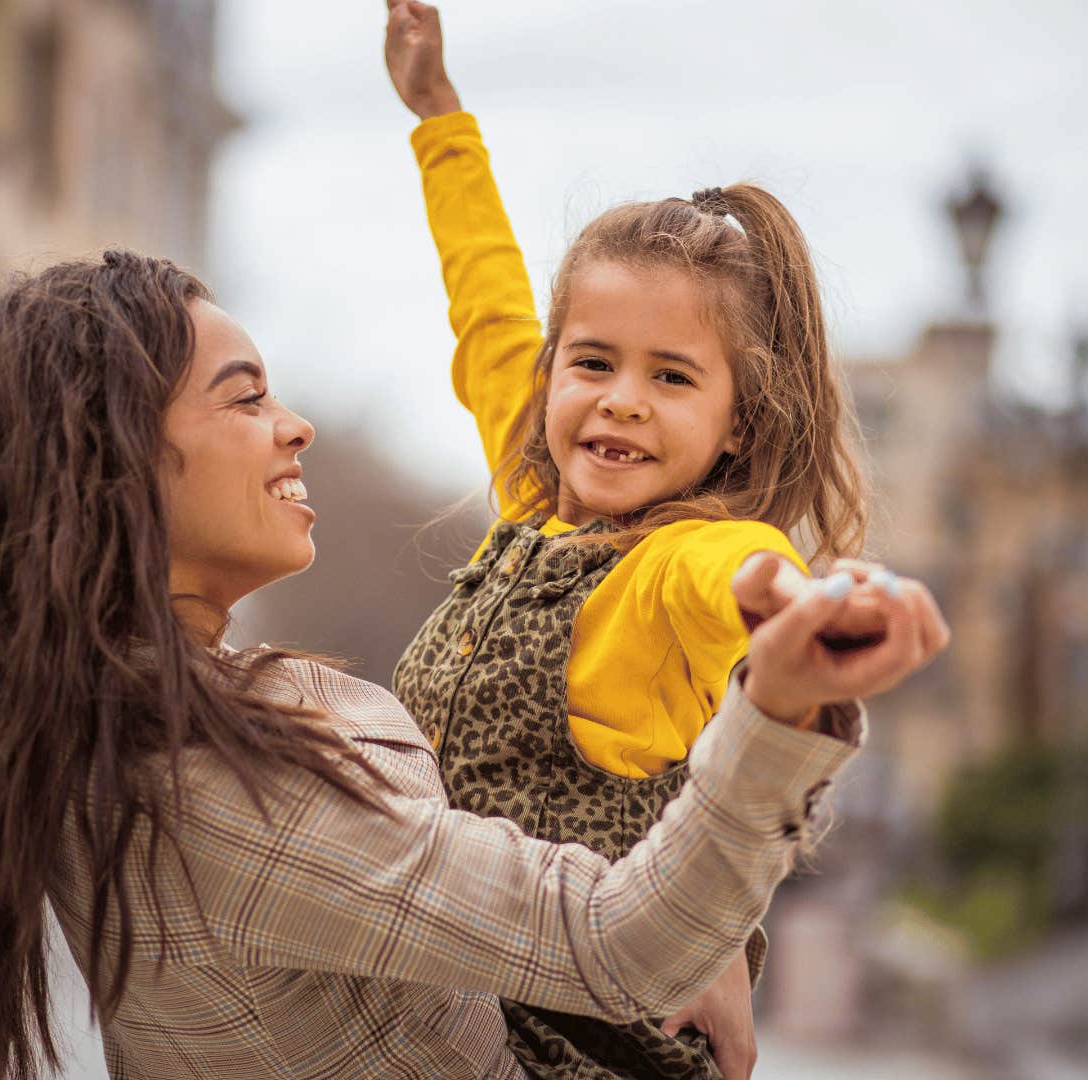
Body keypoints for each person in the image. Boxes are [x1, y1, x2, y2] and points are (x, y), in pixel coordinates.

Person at [0, 250, 947, 1080]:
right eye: (244, 398)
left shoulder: (107, 740)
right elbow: (619, 947)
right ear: (113, 465)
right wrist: (778, 706)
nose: (294, 427)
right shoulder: (217, 783)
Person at [383, 4, 902, 1076]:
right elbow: (484, 303)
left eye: (671, 378)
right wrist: (438, 114)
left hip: (587, 1053)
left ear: (737, 424)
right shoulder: (534, 492)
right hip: (456, 1016)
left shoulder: (682, 564)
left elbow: (751, 633)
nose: (620, 402)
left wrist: (794, 613)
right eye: (593, 363)